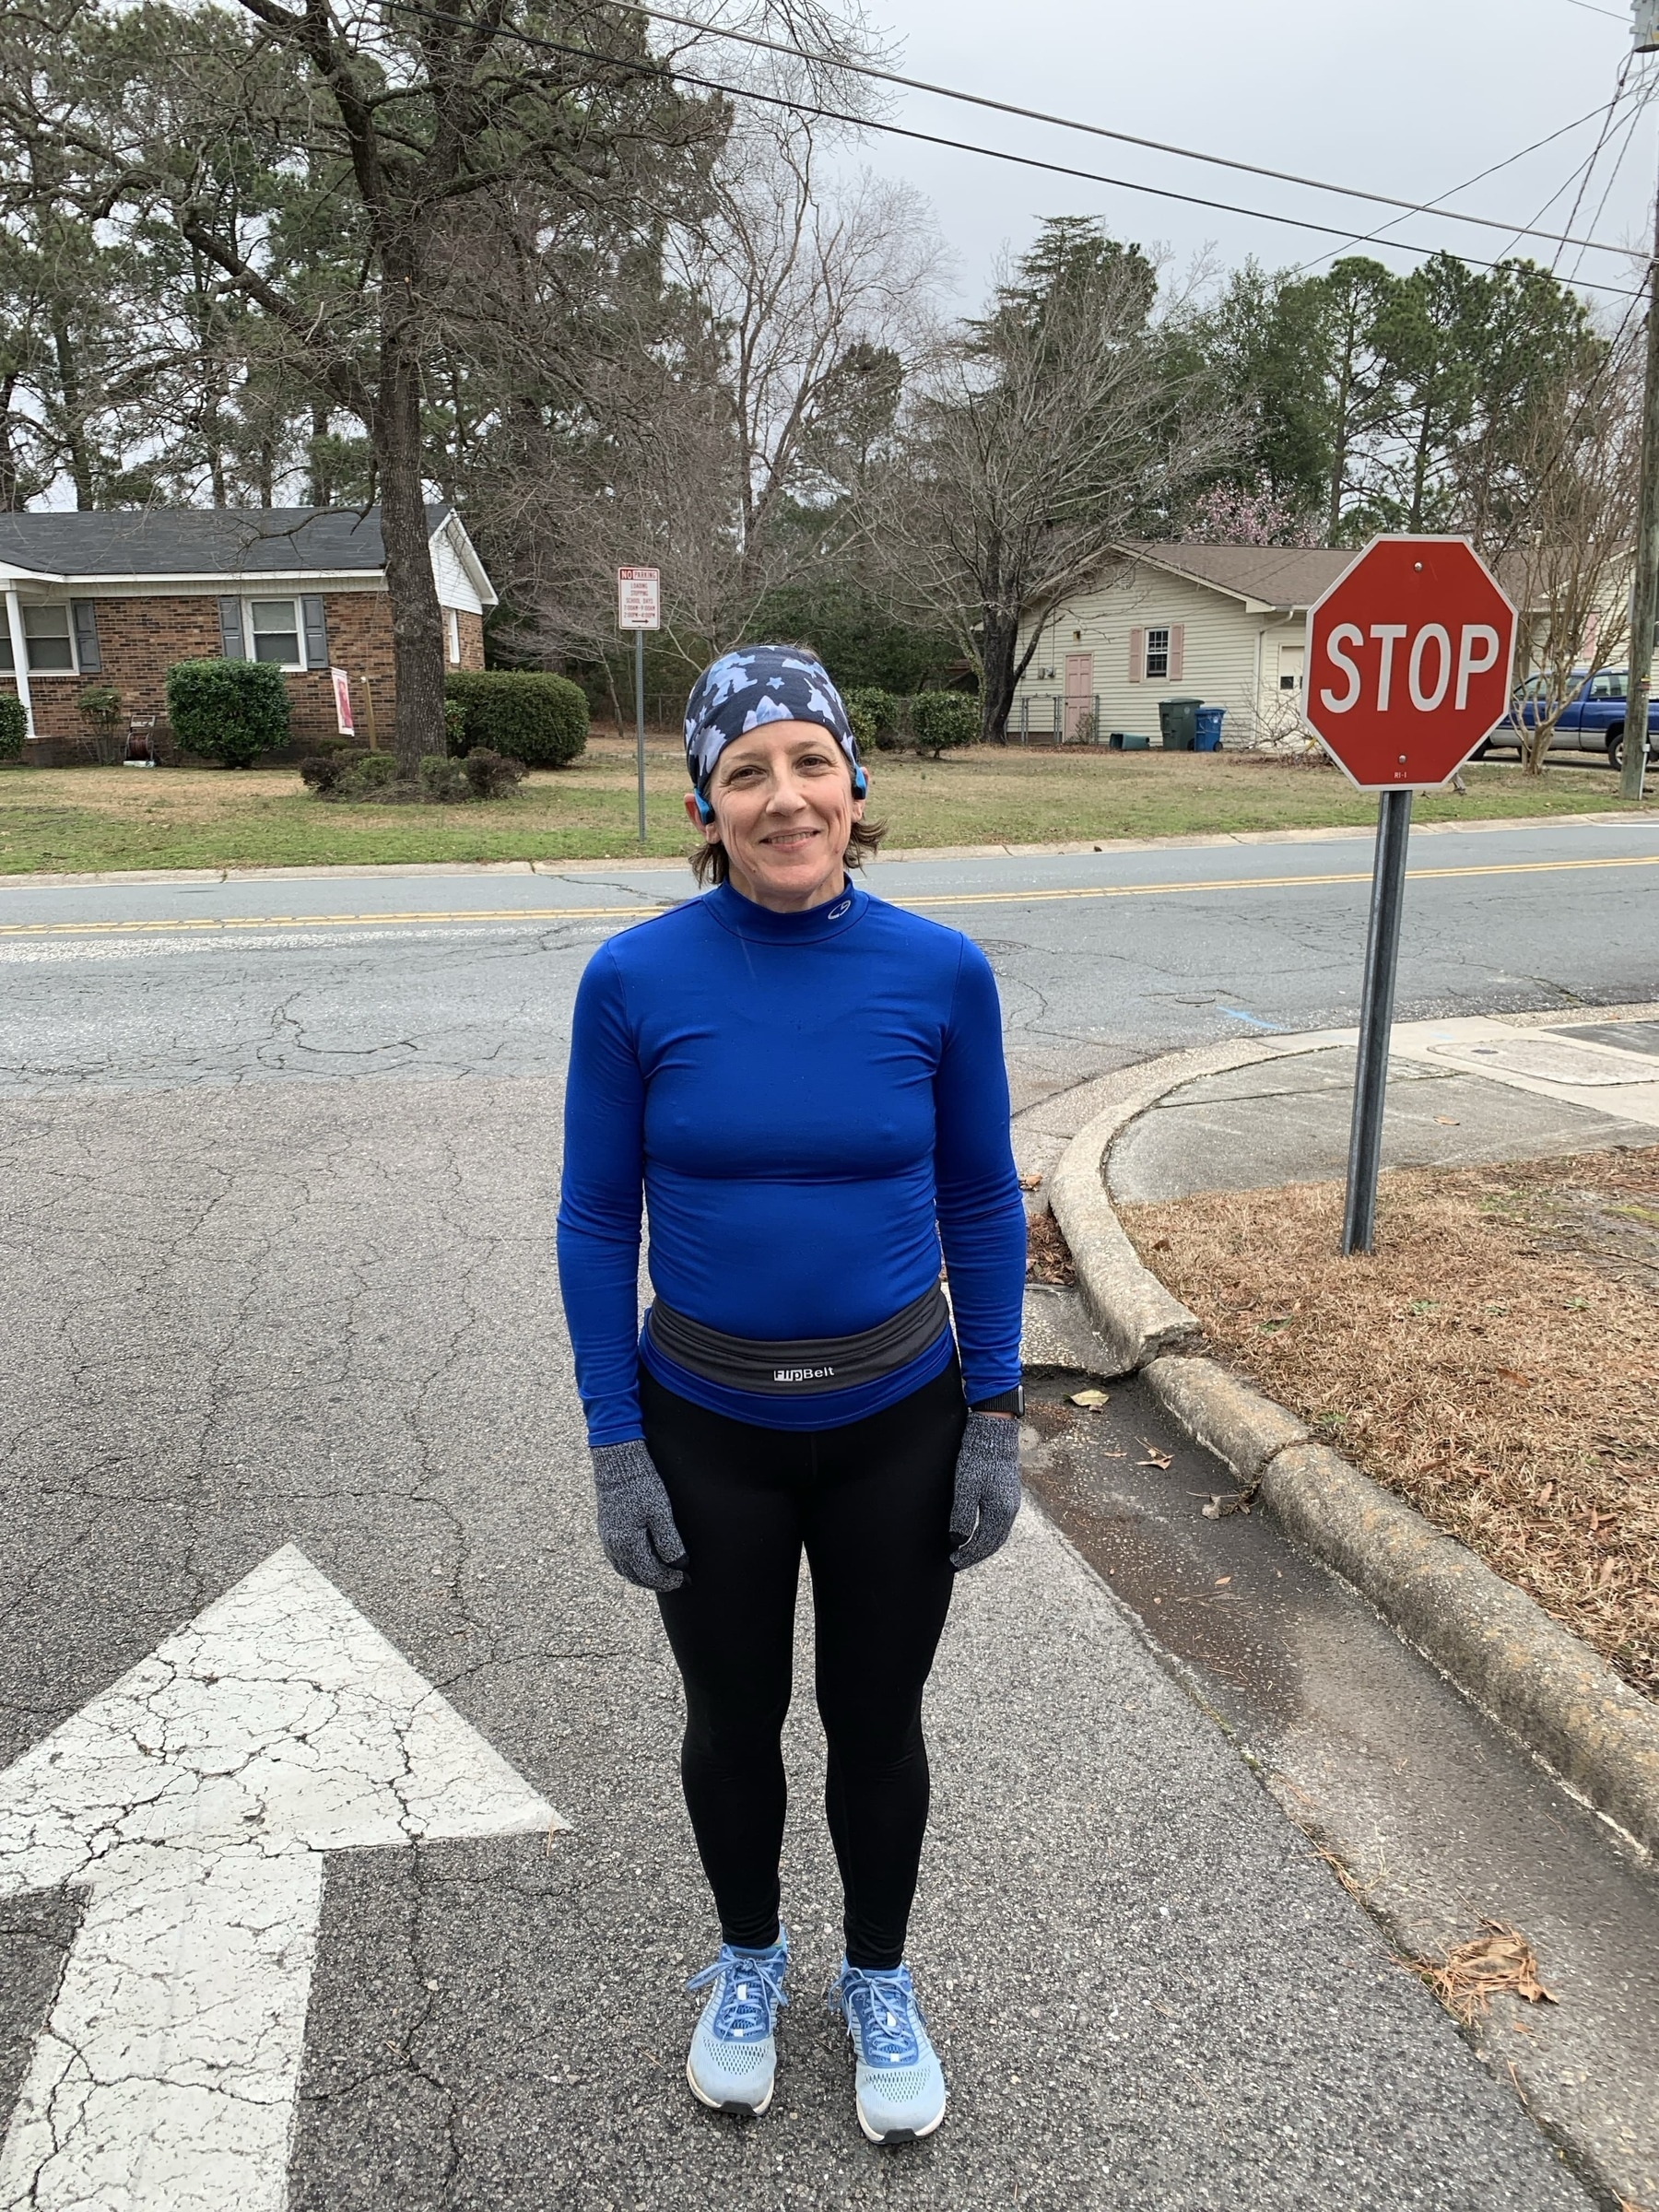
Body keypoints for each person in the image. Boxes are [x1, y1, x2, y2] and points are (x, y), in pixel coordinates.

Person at [556, 645, 1027, 2144]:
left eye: (808, 763)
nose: (784, 797)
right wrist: (615, 1444)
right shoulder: (633, 981)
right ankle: (749, 1961)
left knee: (876, 1726)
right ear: (706, 799)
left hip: (900, 1423)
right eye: (746, 771)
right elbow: (591, 1221)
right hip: (709, 1433)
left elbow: (981, 1199)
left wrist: (998, 1412)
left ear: (855, 782)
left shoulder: (940, 970)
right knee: (733, 1718)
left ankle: (877, 1977)